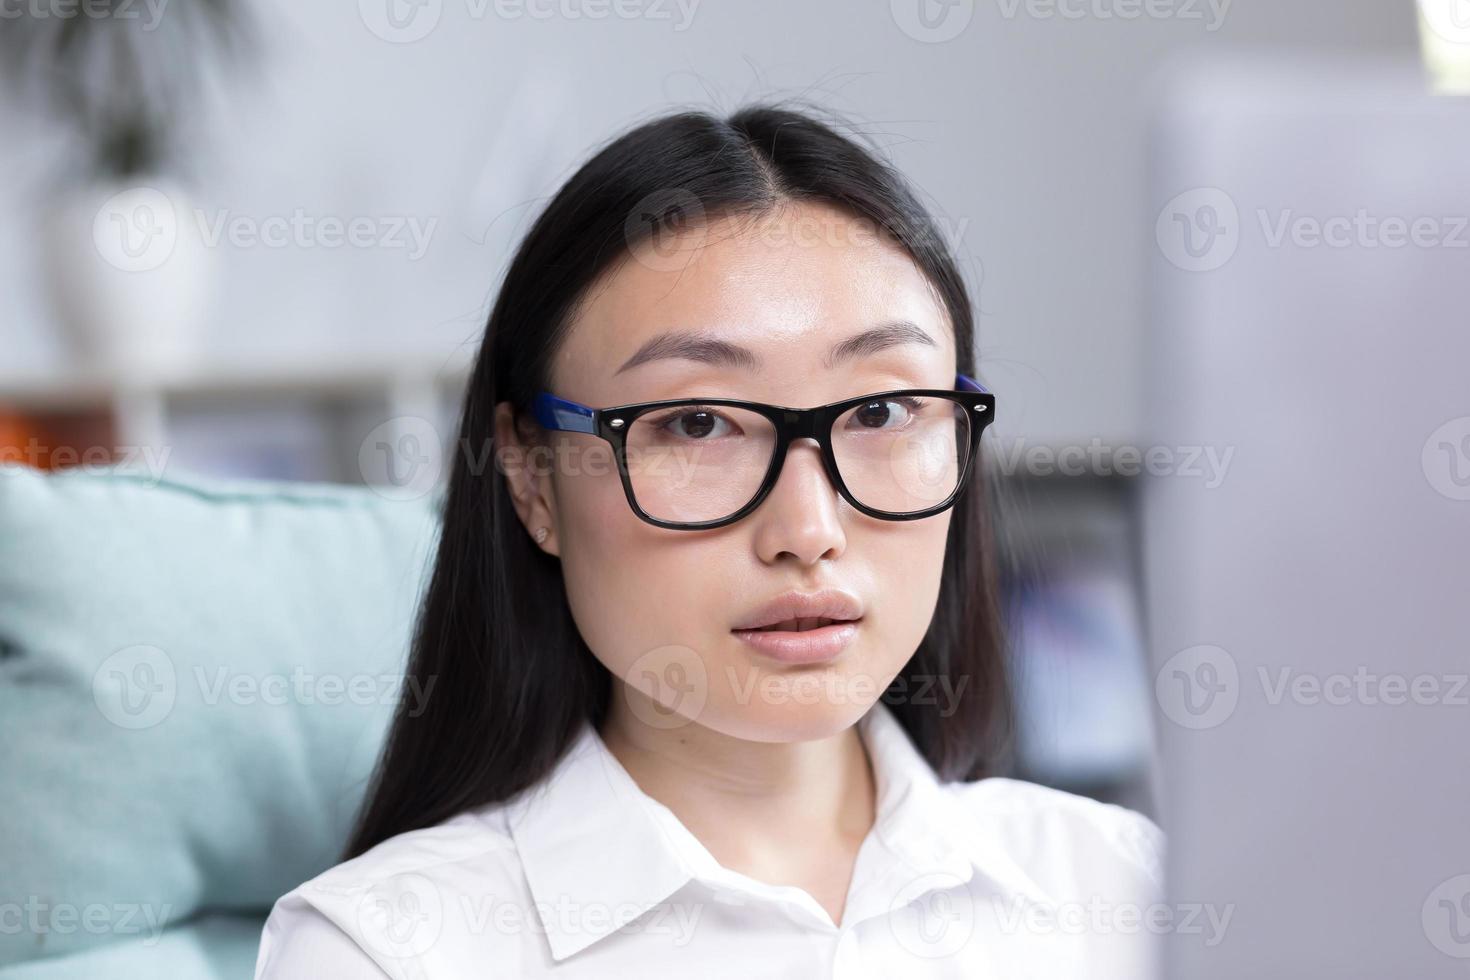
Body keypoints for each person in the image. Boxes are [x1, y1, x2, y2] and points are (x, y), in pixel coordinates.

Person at [254, 102, 1163, 978]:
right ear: (531, 478)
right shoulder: (387, 952)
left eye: (883, 410)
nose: (806, 532)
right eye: (695, 424)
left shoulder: (1119, 891)